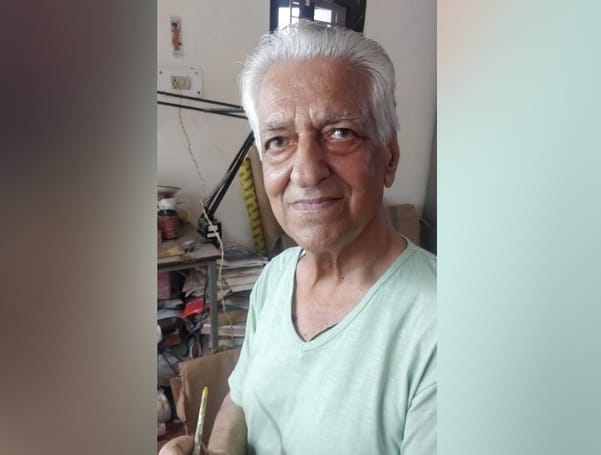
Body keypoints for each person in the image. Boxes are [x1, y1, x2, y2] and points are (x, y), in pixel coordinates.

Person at [161, 20, 436, 455]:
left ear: (390, 157)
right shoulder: (275, 278)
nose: (306, 172)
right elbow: (242, 401)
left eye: (340, 133)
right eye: (278, 141)